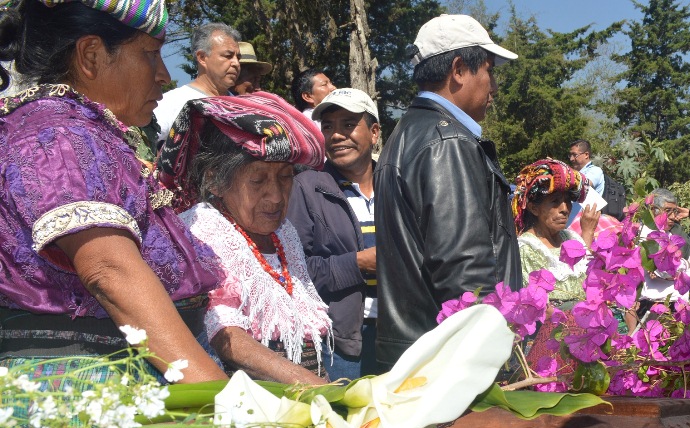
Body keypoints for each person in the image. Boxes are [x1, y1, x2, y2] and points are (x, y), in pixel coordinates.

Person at [0, 0, 225, 384]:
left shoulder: (77, 129)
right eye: (150, 54)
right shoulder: (59, 136)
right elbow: (108, 270)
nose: (164, 74)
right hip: (90, 381)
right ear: (91, 55)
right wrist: (220, 397)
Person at [375, 13, 520, 369]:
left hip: (420, 355)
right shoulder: (448, 141)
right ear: (458, 69)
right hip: (453, 365)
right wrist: (496, 361)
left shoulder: (407, 133)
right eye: (489, 70)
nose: (494, 86)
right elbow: (465, 271)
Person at [159, 92, 330, 385]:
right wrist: (308, 383)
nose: (275, 196)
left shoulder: (285, 233)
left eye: (285, 177)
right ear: (214, 180)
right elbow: (223, 333)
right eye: (258, 180)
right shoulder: (202, 229)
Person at [287, 88, 381, 380]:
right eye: (328, 127)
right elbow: (294, 271)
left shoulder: (399, 182)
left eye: (348, 124)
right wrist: (358, 264)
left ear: (374, 133)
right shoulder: (307, 188)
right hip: (340, 346)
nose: (337, 135)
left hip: (401, 336)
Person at [513, 159, 598, 303]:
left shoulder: (571, 237)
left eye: (568, 201)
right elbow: (539, 304)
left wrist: (588, 233)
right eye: (555, 201)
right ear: (534, 208)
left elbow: (588, 277)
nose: (565, 209)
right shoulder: (527, 248)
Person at [153, 22, 240, 141]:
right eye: (228, 56)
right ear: (202, 57)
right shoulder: (172, 103)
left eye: (238, 57)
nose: (236, 63)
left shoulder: (241, 107)